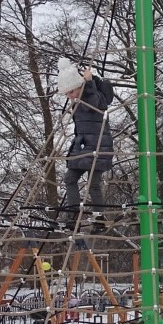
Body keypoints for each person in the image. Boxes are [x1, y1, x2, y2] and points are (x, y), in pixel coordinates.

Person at [56, 57, 114, 220]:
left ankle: (99, 218)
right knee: (69, 179)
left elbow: (96, 104)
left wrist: (89, 82)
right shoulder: (79, 100)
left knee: (94, 183)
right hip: (84, 146)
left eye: (71, 92)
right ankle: (73, 215)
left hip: (98, 146)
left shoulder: (91, 96)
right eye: (67, 93)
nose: (70, 96)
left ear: (79, 86)